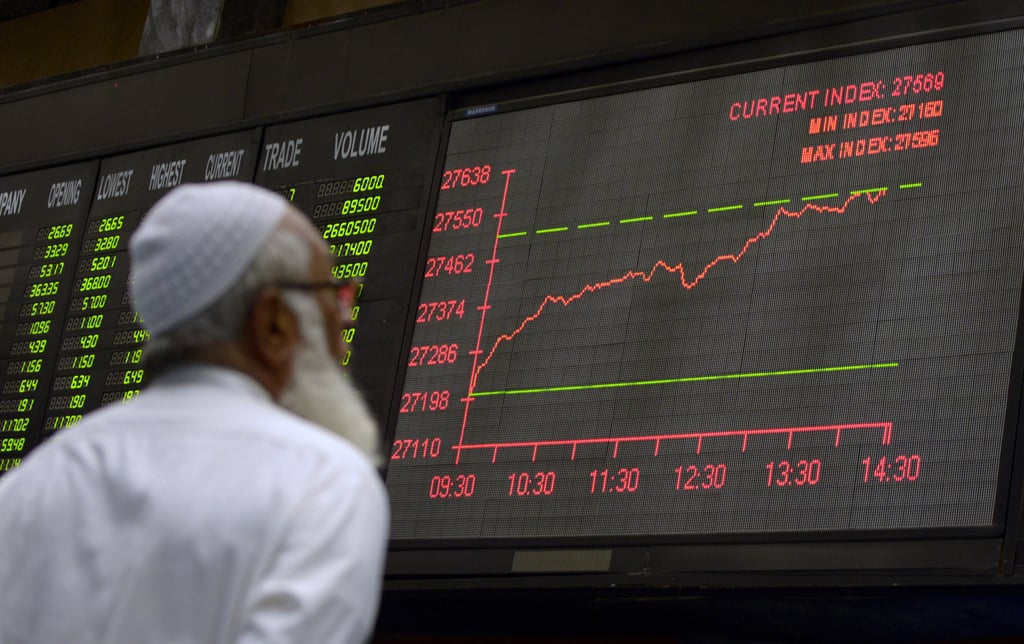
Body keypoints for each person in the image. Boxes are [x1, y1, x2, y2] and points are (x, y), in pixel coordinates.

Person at [0, 181, 390, 643]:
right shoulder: (325, 484)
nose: (345, 320)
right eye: (334, 296)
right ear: (273, 322)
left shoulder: (28, 485)